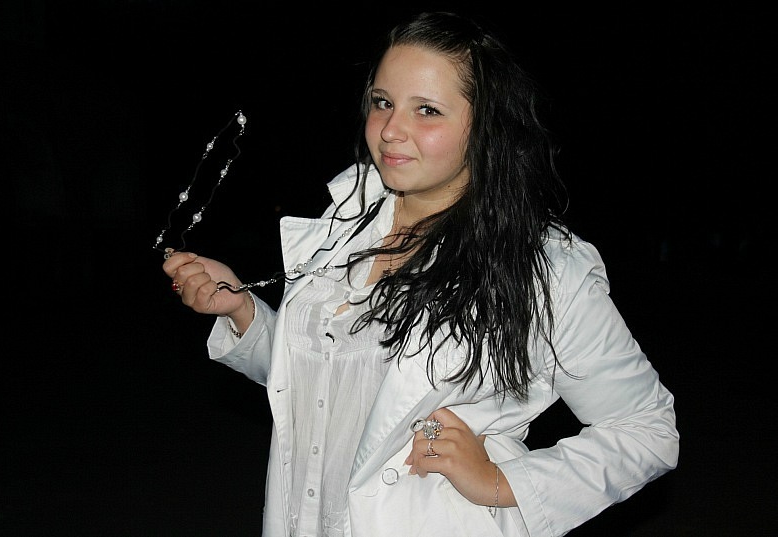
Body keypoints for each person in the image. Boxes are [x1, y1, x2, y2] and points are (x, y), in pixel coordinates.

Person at [161, 11, 678, 537]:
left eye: (426, 110)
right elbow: (331, 384)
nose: (390, 130)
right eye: (383, 102)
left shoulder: (540, 268)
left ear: (486, 127)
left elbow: (648, 429)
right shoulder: (346, 221)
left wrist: (504, 483)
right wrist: (243, 312)